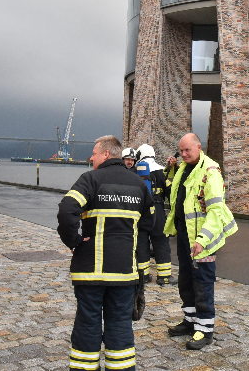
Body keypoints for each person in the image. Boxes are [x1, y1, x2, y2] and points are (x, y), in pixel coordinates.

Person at [57, 135, 153, 371]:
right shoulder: (139, 185)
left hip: (90, 272)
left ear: (107, 154)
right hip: (124, 273)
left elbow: (66, 209)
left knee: (88, 322)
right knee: (120, 324)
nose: (91, 157)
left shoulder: (90, 179)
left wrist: (75, 241)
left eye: (94, 153)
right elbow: (149, 225)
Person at [164, 133, 237, 350]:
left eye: (188, 150)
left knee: (203, 282)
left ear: (199, 147)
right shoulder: (184, 169)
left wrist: (203, 240)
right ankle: (190, 321)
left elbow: (216, 210)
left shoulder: (210, 172)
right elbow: (174, 195)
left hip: (203, 239)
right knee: (186, 280)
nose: (184, 154)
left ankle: (205, 329)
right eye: (181, 150)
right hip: (186, 237)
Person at [134, 144, 175, 286]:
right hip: (158, 210)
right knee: (161, 242)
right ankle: (164, 277)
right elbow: (171, 192)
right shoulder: (162, 171)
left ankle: (142, 276)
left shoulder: (135, 172)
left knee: (142, 242)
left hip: (141, 212)